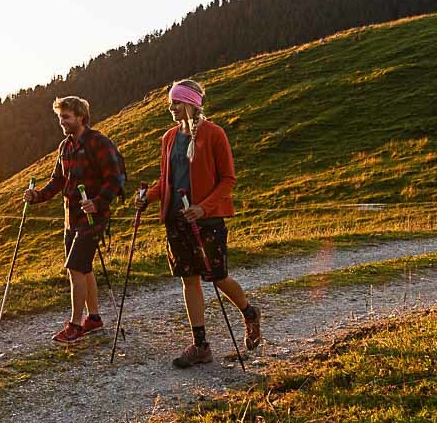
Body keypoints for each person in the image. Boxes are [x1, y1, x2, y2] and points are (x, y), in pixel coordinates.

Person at [139, 79, 262, 368]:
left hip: (208, 220)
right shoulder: (169, 137)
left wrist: (202, 208)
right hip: (176, 220)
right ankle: (200, 345)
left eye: (177, 102)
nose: (171, 107)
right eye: (171, 102)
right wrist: (149, 197)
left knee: (217, 276)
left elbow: (228, 180)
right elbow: (167, 180)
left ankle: (249, 312)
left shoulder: (214, 134)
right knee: (189, 278)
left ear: (192, 104)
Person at [25, 96, 127, 344]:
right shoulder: (65, 147)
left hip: (93, 218)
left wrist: (99, 202)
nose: (62, 122)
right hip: (71, 218)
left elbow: (117, 177)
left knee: (74, 269)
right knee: (84, 268)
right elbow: (58, 180)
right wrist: (37, 196)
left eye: (66, 117)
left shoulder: (98, 142)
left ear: (81, 117)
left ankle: (74, 325)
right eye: (60, 117)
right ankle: (93, 318)